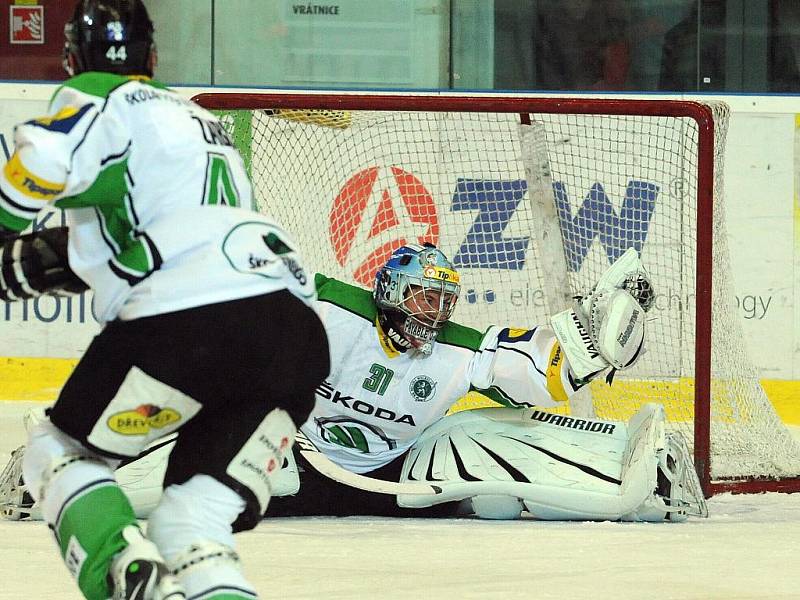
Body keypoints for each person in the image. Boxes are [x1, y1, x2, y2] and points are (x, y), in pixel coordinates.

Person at [3, 242, 707, 525]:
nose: (435, 315)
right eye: (423, 299)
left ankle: (649, 482)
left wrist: (600, 333)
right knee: (194, 429)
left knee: (482, 443)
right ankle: (52, 470)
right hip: (291, 462)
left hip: (391, 474)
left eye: (443, 303)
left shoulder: (457, 350)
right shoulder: (327, 306)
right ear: (389, 292)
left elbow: (546, 367)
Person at [0, 1, 329, 600]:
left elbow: (42, 161)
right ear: (153, 59)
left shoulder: (100, 95)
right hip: (294, 332)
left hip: (193, 318)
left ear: (71, 59)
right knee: (190, 522)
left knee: (56, 453)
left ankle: (126, 576)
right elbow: (143, 234)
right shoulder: (199, 121)